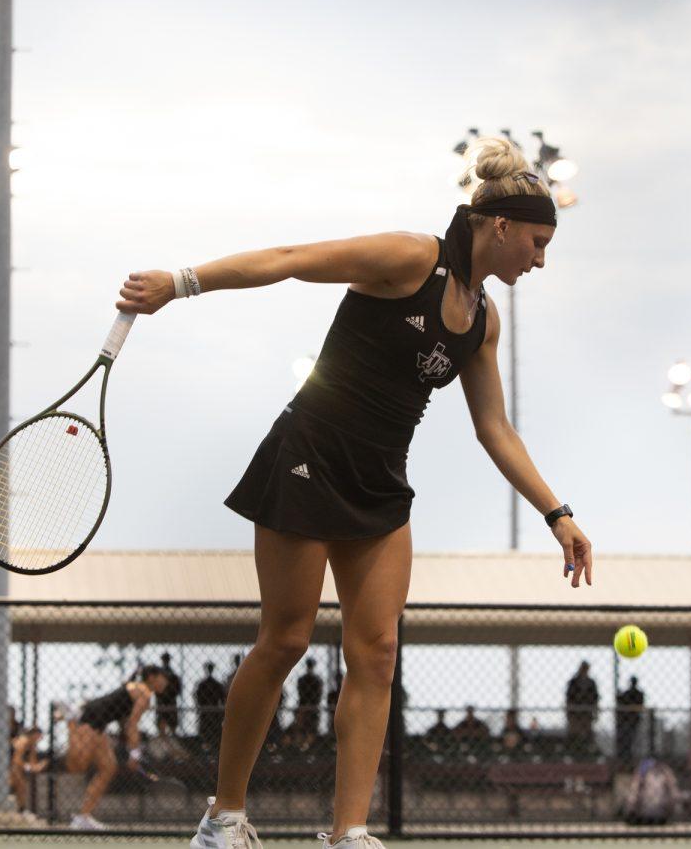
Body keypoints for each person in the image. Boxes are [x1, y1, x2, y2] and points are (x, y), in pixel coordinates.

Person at [115, 137, 592, 849]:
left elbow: (494, 429)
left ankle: (349, 833)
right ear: (499, 227)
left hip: (380, 484)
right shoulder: (408, 258)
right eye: (537, 241)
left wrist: (557, 513)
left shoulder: (484, 323)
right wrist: (179, 282)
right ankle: (224, 818)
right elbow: (287, 262)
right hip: (308, 457)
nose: (541, 258)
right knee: (286, 640)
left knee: (377, 653)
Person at [63, 665, 169, 831]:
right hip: (89, 720)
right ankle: (69, 720)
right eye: (164, 678)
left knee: (108, 767)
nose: (166, 682)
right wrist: (134, 754)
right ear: (152, 677)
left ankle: (83, 817)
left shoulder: (136, 688)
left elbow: (125, 723)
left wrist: (131, 749)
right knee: (77, 767)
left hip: (99, 724)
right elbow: (132, 725)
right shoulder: (145, 693)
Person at [9, 726, 49, 817]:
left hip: (18, 768)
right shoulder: (23, 741)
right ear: (33, 734)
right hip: (10, 766)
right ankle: (21, 809)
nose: (40, 738)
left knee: (23, 785)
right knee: (20, 783)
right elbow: (16, 760)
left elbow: (33, 761)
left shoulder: (32, 744)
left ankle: (21, 810)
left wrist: (38, 766)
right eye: (39, 735)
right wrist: (30, 767)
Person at [194, 662, 229, 751]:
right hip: (208, 712)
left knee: (212, 732)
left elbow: (222, 698)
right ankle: (207, 750)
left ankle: (210, 750)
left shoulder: (213, 684)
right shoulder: (204, 684)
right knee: (207, 732)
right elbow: (197, 697)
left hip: (212, 712)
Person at [565, 661, 599, 751]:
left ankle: (587, 751)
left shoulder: (591, 682)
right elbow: (569, 697)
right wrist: (569, 711)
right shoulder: (573, 682)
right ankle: (572, 750)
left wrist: (595, 711)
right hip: (575, 712)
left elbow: (595, 698)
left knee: (587, 732)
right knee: (574, 732)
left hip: (587, 712)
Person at [615, 676, 646, 764]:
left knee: (631, 740)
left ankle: (629, 758)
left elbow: (639, 705)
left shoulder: (635, 694)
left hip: (631, 720)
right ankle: (626, 758)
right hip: (628, 720)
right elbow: (621, 702)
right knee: (628, 740)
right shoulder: (631, 693)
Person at [155, 652, 184, 737]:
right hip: (166, 700)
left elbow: (177, 689)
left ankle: (167, 733)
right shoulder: (166, 675)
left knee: (169, 720)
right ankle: (165, 733)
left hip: (167, 700)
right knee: (165, 720)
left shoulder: (170, 675)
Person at [297, 658, 325, 736]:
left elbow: (318, 694)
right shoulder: (316, 680)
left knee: (310, 726)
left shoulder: (304, 679)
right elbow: (319, 694)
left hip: (309, 705)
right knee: (308, 726)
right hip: (308, 705)